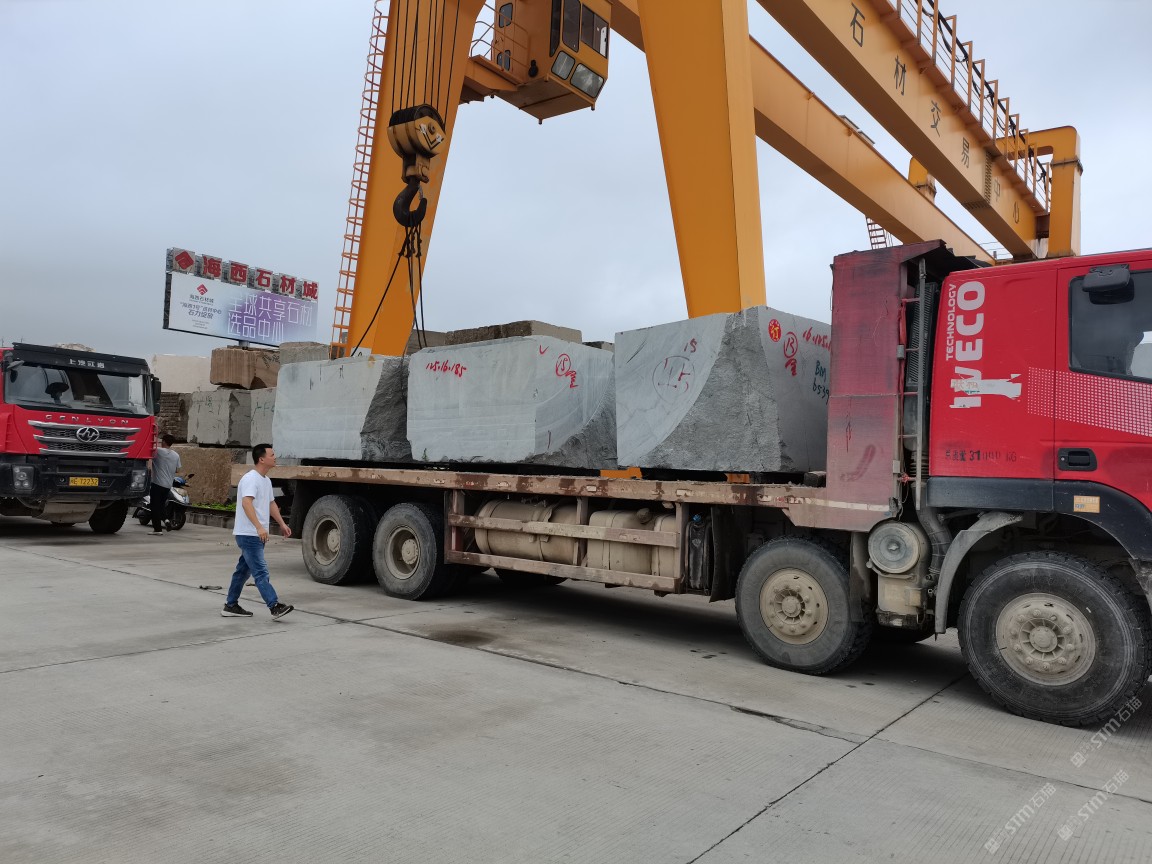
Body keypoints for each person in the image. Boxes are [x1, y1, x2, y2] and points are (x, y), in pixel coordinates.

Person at [221, 443, 294, 619]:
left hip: (254, 534)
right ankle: (274, 605)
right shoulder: (251, 479)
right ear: (261, 459)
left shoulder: (265, 480)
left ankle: (230, 605)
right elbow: (246, 503)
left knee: (242, 572)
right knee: (261, 572)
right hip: (249, 534)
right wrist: (259, 527)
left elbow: (271, 503)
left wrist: (282, 524)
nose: (275, 457)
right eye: (272, 455)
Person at [148, 434, 182, 536]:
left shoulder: (157, 451)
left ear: (163, 441)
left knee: (154, 506)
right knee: (161, 505)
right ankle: (166, 520)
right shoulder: (176, 455)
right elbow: (177, 469)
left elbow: (148, 456)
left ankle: (157, 529)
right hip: (168, 485)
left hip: (157, 484)